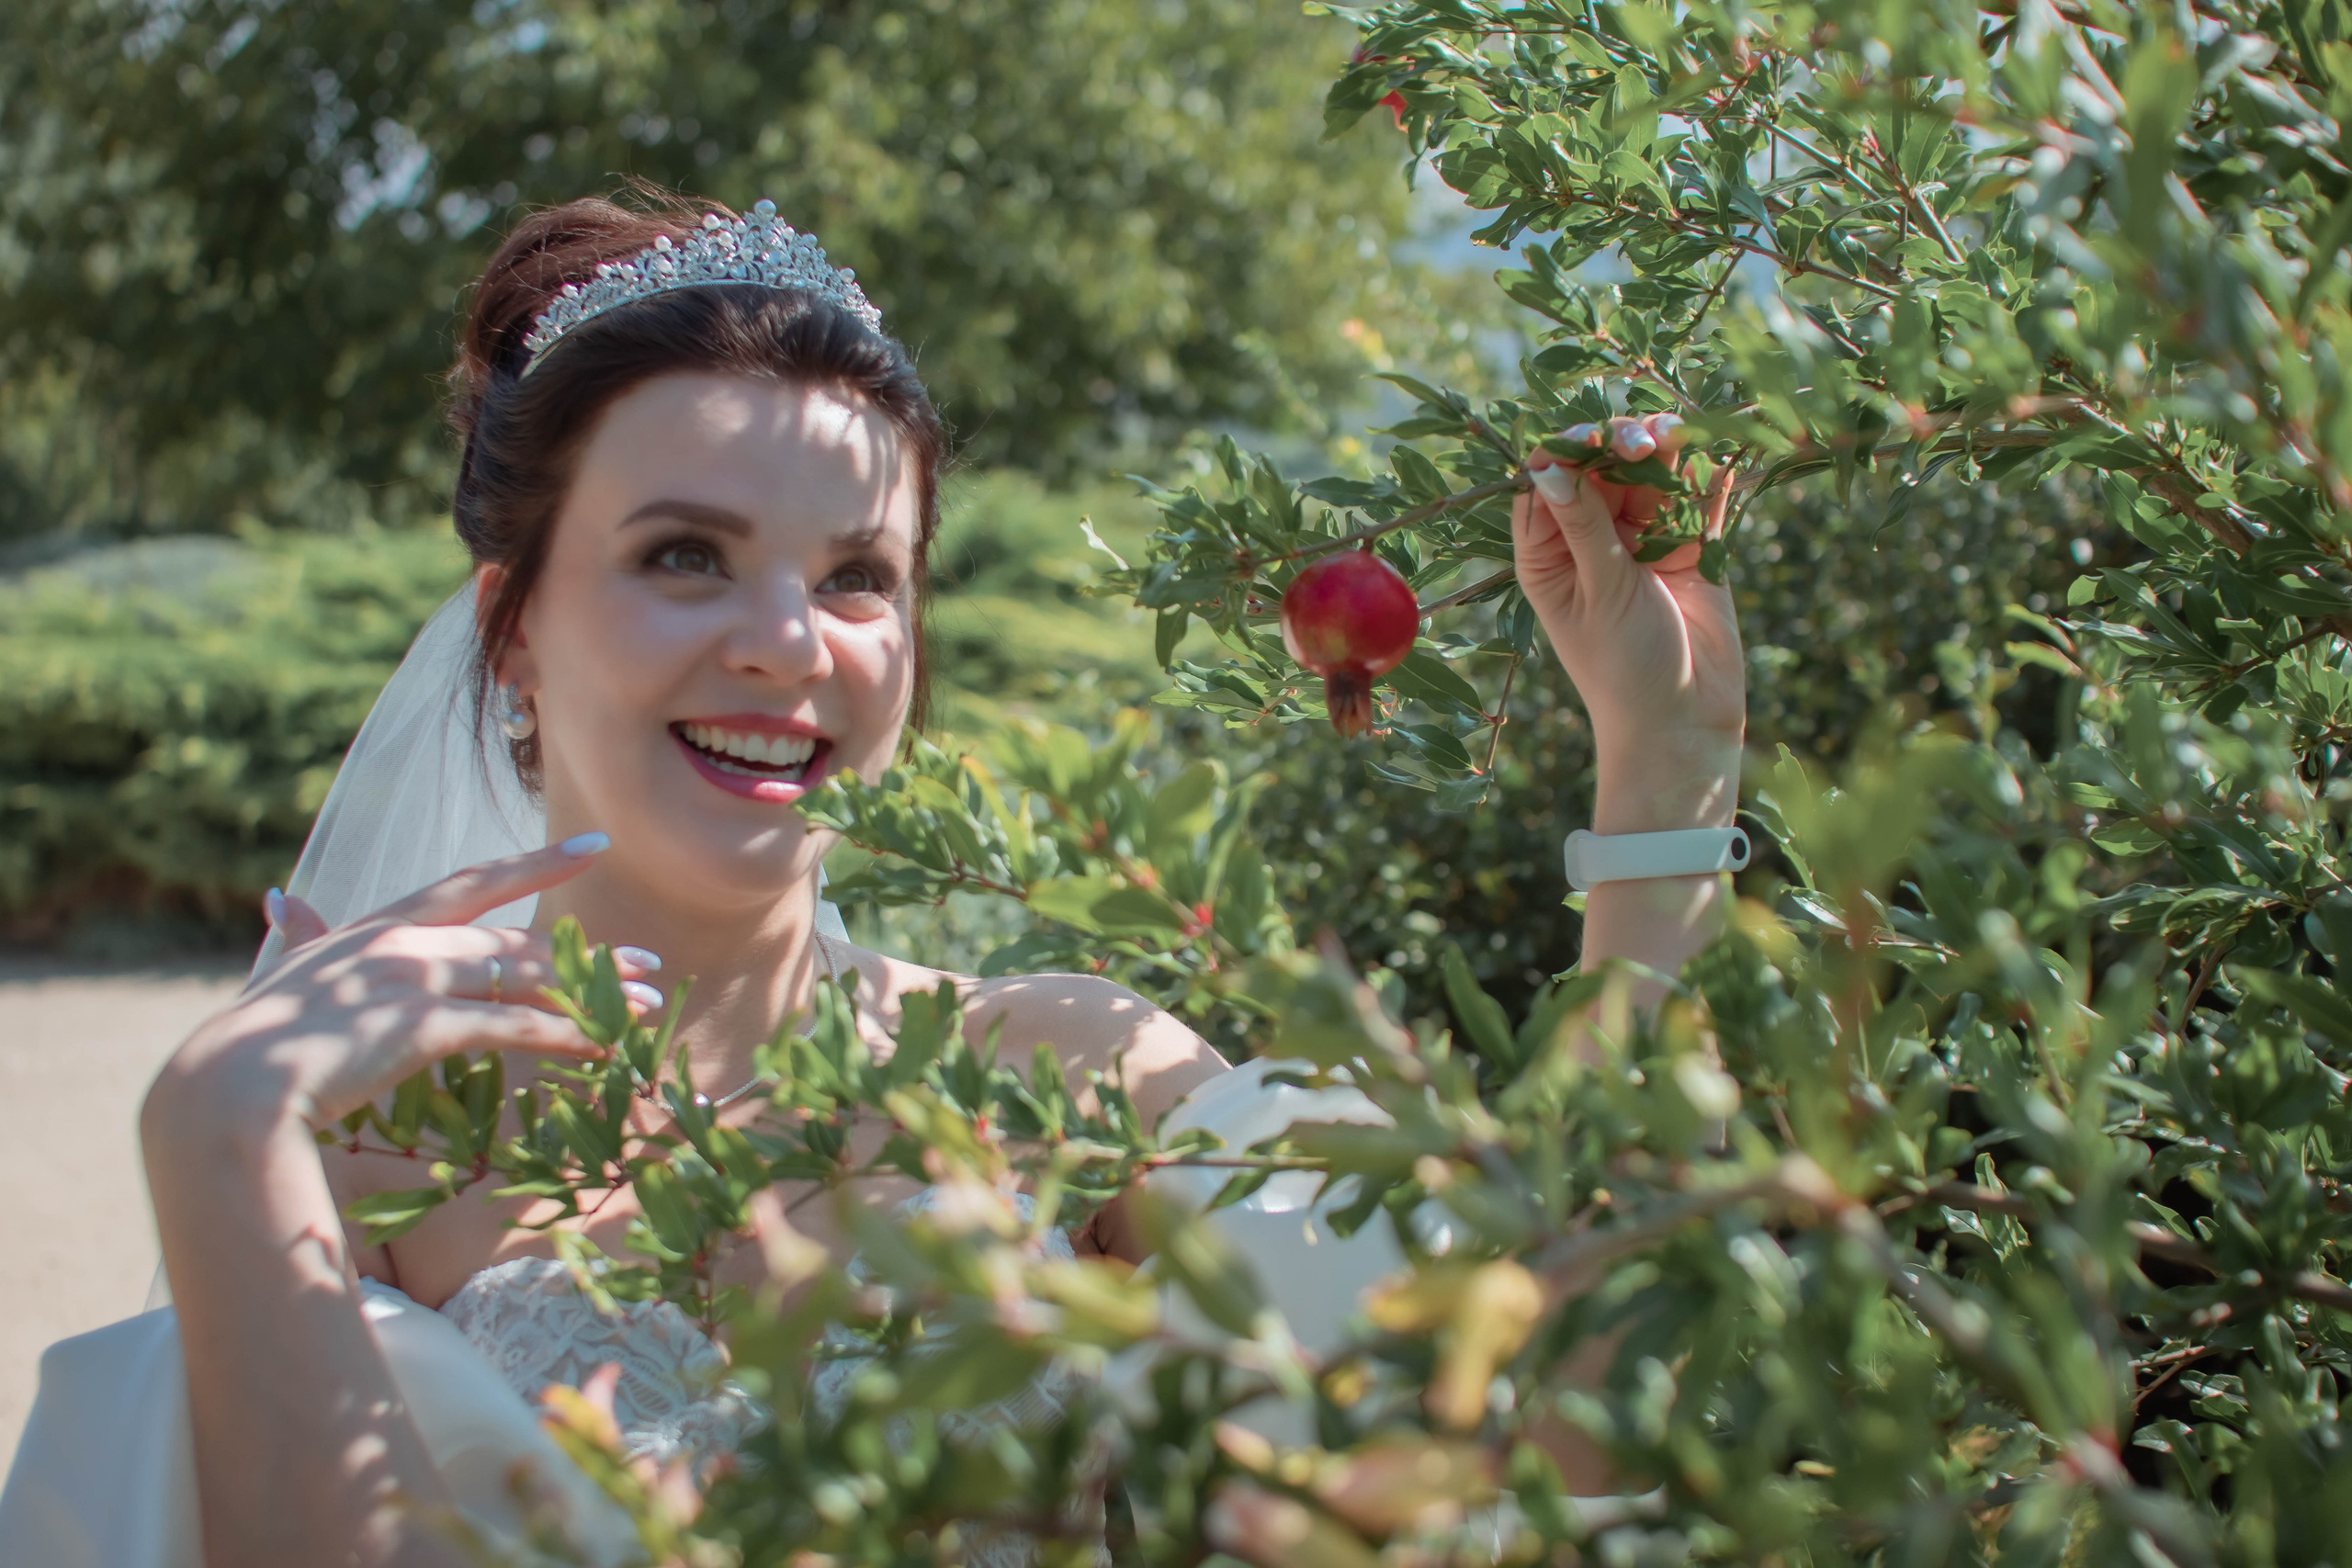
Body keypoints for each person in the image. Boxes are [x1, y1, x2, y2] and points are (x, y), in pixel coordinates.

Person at [0, 188, 1743, 1566]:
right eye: (685, 554)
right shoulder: (363, 1150)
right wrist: (218, 1135)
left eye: (857, 575)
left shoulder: (1067, 1081)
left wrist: (1660, 786)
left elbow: (1535, 1444)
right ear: (514, 630)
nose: (787, 644)